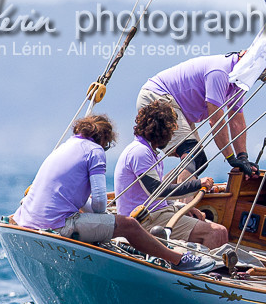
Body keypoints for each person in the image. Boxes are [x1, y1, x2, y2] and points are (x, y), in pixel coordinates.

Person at [12, 115, 210, 271]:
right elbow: (99, 202)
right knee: (129, 225)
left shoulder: (65, 146)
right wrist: (112, 223)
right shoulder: (94, 151)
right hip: (57, 225)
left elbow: (80, 201)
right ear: (104, 139)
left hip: (28, 220)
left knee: (115, 223)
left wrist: (104, 221)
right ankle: (179, 260)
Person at [114, 101, 227, 248]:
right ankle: (208, 270)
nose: (172, 137)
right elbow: (156, 192)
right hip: (144, 219)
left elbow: (154, 196)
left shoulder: (149, 152)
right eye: (171, 131)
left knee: (216, 229)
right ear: (162, 131)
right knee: (217, 232)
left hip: (157, 212)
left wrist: (182, 207)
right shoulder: (140, 152)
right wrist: (199, 184)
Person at [137, 52, 259, 177]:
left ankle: (159, 192)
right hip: (157, 97)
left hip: (176, 106)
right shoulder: (220, 72)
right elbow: (216, 122)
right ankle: (175, 194)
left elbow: (236, 121)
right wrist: (231, 158)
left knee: (199, 162)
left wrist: (242, 157)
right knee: (193, 158)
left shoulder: (239, 82)